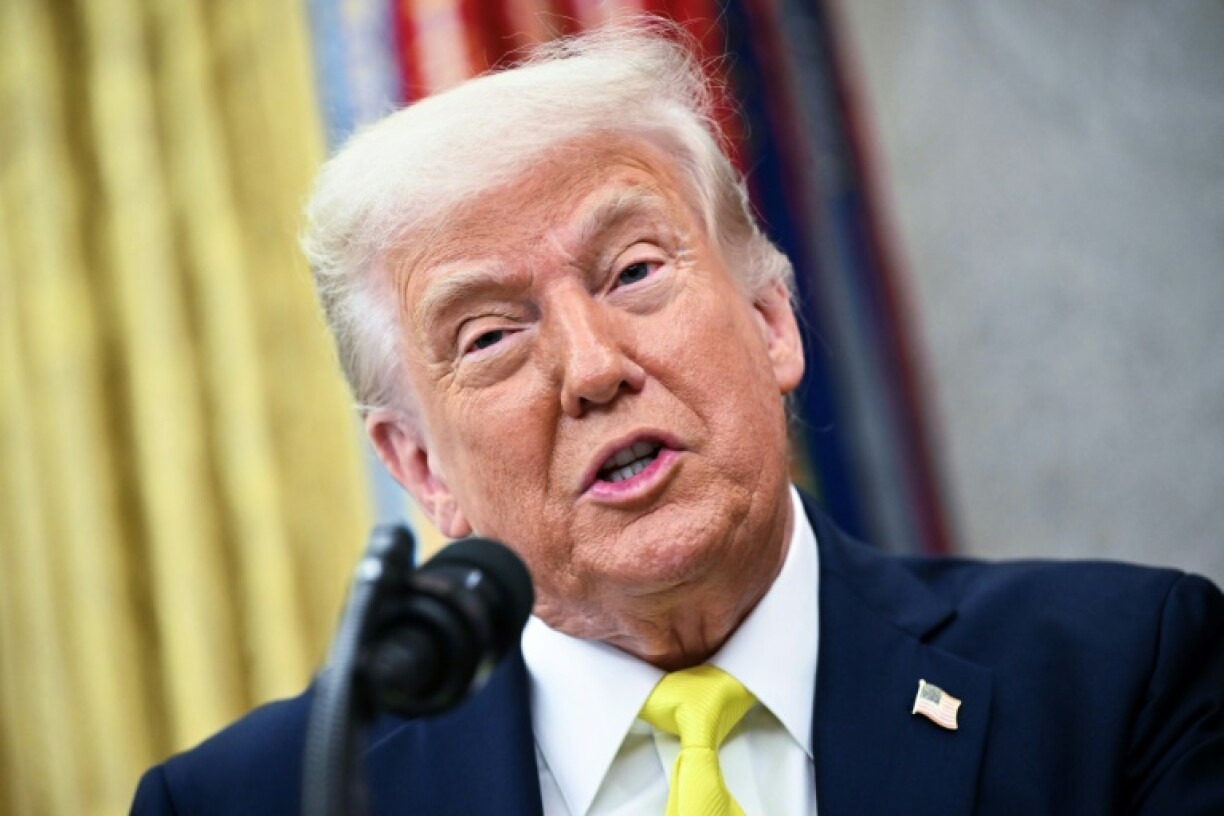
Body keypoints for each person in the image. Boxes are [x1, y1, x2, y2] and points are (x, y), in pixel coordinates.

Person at [131, 22, 1224, 816]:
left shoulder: (1123, 680)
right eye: (490, 336)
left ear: (770, 321)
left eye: (636, 269)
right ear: (420, 467)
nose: (595, 369)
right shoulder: (260, 801)